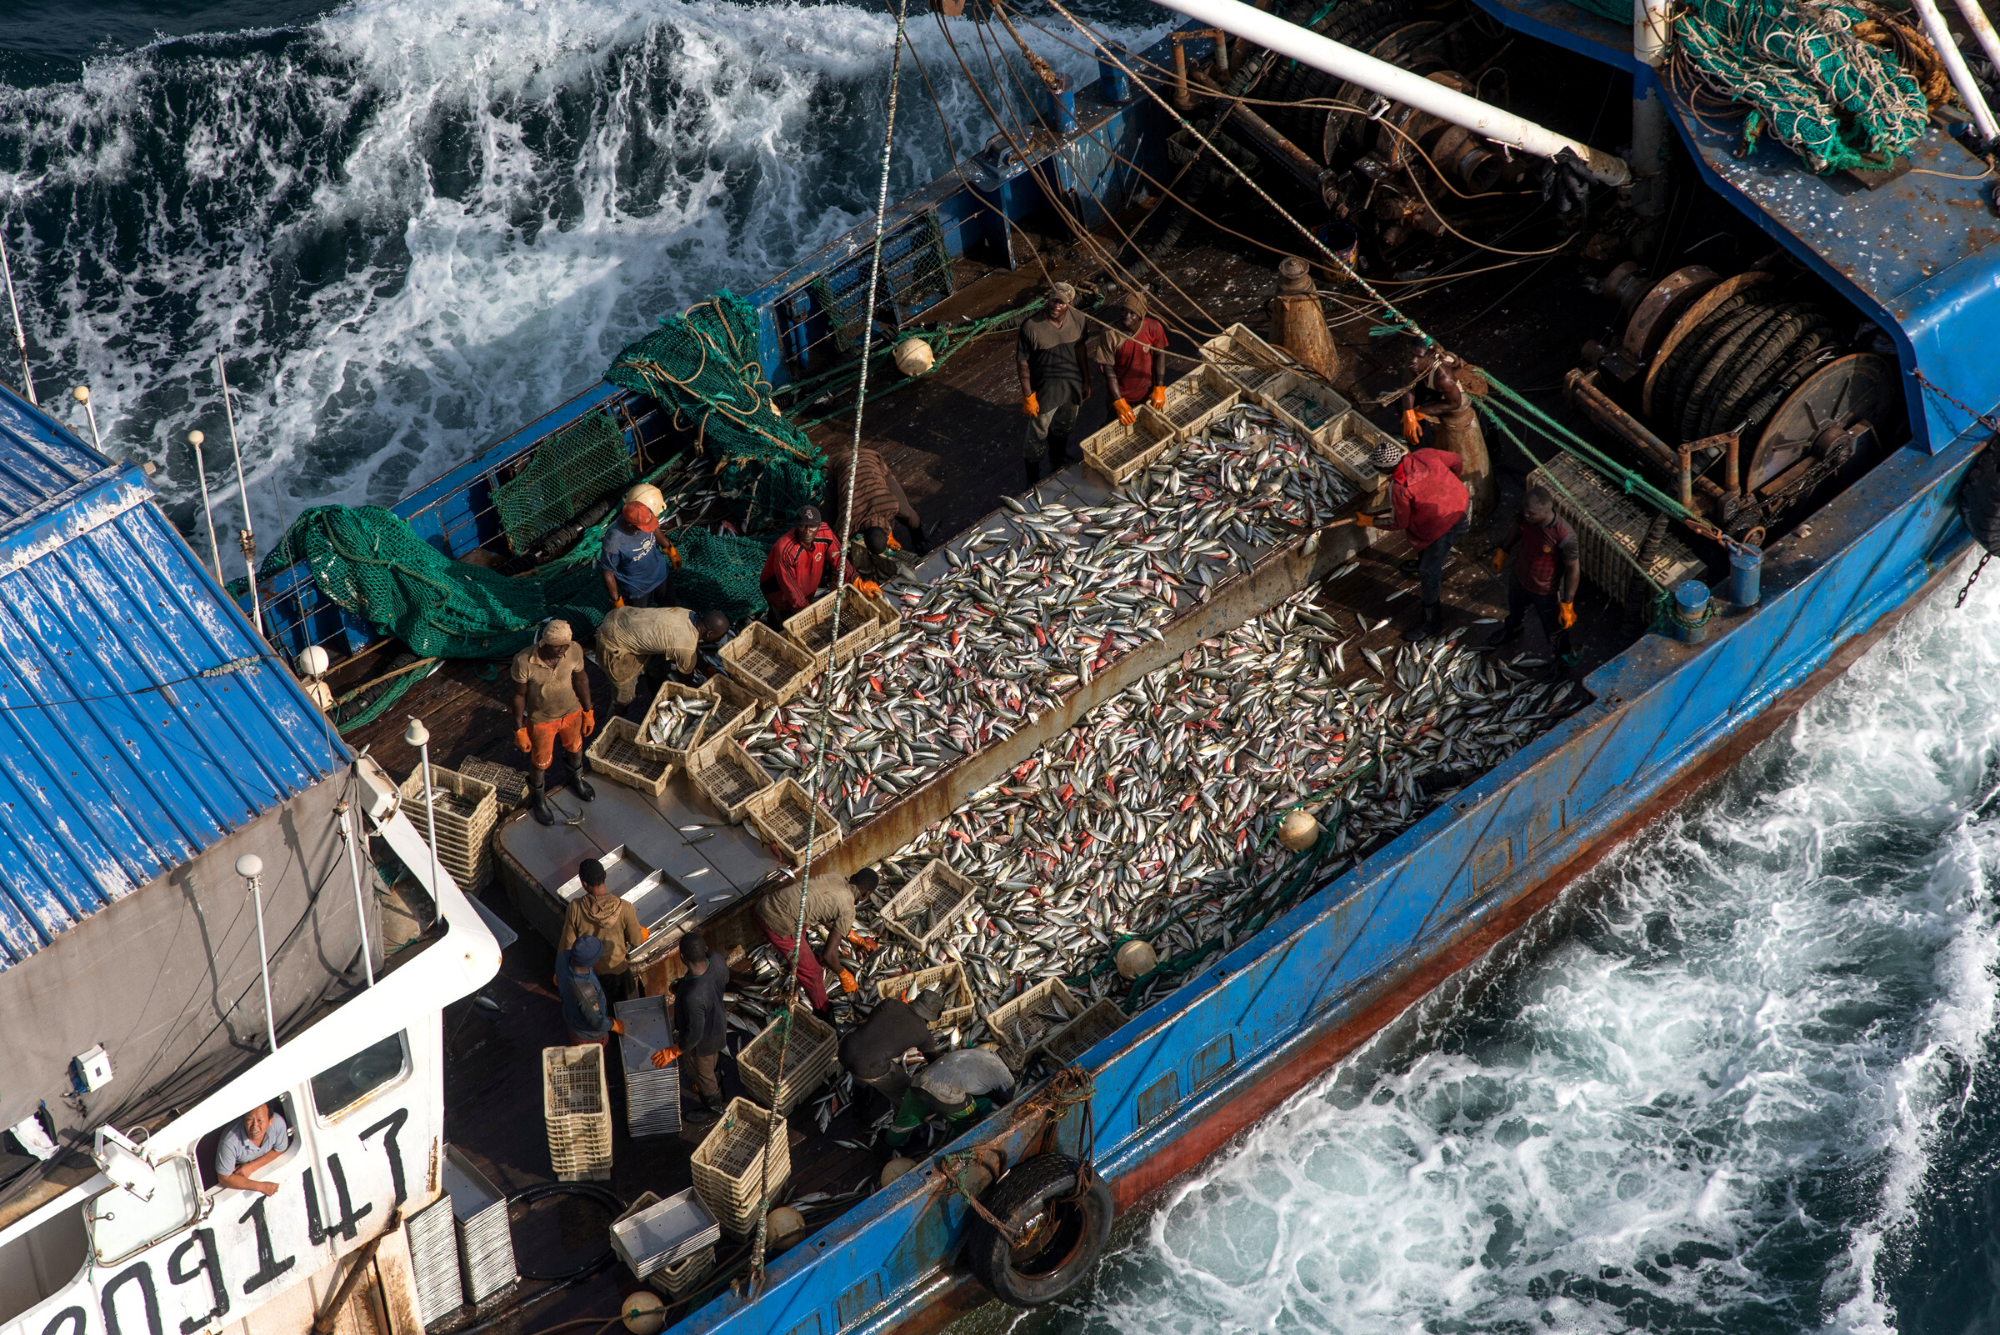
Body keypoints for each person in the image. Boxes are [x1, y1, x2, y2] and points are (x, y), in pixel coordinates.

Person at [1353, 440, 1469, 644]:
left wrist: (1370, 521)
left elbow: (1399, 522)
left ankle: (1432, 622)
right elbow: (1457, 461)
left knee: (1429, 571)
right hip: (1461, 504)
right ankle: (1421, 562)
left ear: (1382, 469)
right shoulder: (1426, 454)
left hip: (1443, 525)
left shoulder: (1399, 488)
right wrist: (1450, 484)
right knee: (1424, 542)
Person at [754, 868, 877, 1014]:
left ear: (853, 877)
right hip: (776, 922)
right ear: (866, 893)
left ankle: (789, 960)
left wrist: (850, 936)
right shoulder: (849, 908)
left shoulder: (834, 876)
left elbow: (823, 908)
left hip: (764, 904)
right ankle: (823, 1012)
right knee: (813, 973)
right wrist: (844, 974)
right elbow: (828, 955)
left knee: (805, 924)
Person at [512, 618, 595, 824]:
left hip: (571, 712)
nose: (563, 650)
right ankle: (538, 800)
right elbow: (519, 696)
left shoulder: (573, 650)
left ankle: (576, 779)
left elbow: (581, 679)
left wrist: (588, 710)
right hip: (541, 720)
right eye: (558, 646)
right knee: (540, 763)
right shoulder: (524, 661)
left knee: (576, 749)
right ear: (545, 643)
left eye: (565, 645)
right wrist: (519, 729)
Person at [1487, 486, 1580, 663]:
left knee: (1553, 628)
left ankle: (1561, 657)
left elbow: (1573, 569)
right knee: (1515, 610)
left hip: (1545, 590)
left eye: (1531, 513)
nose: (1526, 515)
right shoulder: (1525, 516)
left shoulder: (1564, 536)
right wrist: (1503, 551)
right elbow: (1516, 527)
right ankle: (1513, 628)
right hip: (1519, 576)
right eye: (1525, 511)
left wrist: (1568, 603)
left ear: (1546, 512)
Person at [1016, 281, 1092, 487]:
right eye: (1053, 300)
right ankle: (1032, 477)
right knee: (1037, 434)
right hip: (1044, 391)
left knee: (1065, 426)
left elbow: (1080, 348)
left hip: (1072, 386)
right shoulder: (1031, 326)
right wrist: (1028, 395)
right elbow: (1022, 362)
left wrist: (1086, 380)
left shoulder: (1079, 319)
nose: (1055, 305)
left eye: (1061, 302)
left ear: (1070, 304)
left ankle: (1057, 460)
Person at [651, 932, 729, 1124]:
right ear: (706, 950)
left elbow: (694, 1034)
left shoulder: (694, 996)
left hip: (701, 1044)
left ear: (682, 957)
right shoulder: (717, 961)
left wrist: (674, 1051)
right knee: (713, 1062)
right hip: (718, 1025)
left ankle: (714, 1107)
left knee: (703, 1074)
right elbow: (718, 983)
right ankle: (719, 1085)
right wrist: (682, 985)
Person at [596, 605, 731, 710]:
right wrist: (707, 693)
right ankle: (618, 718)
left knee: (660, 662)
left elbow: (689, 644)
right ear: (709, 634)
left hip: (623, 615)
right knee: (624, 694)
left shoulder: (687, 614)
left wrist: (705, 667)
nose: (718, 640)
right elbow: (685, 681)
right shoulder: (686, 648)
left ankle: (656, 686)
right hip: (613, 638)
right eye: (718, 637)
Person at [557, 858, 647, 1003]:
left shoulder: (575, 908)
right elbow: (636, 940)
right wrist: (640, 932)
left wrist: (561, 972)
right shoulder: (625, 907)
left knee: (602, 1013)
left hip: (592, 977)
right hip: (620, 975)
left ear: (584, 883)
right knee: (629, 1011)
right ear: (605, 875)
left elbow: (567, 945)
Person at [886, 1046, 1016, 1147]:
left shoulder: (981, 1051)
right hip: (945, 1095)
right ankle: (950, 1151)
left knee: (902, 1125)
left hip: (920, 1084)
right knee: (973, 1127)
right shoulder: (1005, 1075)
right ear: (1013, 1068)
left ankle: (886, 1147)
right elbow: (1008, 1103)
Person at [839, 988, 945, 1106]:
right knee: (904, 1089)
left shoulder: (890, 1003)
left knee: (860, 1067)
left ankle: (859, 1102)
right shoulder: (924, 1034)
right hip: (869, 1067)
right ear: (931, 1017)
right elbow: (933, 1061)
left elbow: (872, 1019)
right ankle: (901, 1117)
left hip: (846, 1049)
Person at [824, 443, 927, 562]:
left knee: (907, 514)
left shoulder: (891, 505)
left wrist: (892, 536)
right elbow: (834, 540)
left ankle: (921, 541)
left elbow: (904, 517)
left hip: (872, 459)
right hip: (841, 463)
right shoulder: (847, 523)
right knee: (828, 523)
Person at [1088, 290, 1167, 427]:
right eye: (1125, 311)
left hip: (1147, 392)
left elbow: (1159, 354)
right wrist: (1119, 402)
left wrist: (1159, 387)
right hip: (1122, 395)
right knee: (1113, 426)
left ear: (1141, 316)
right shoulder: (1110, 334)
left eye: (1133, 314)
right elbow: (1108, 370)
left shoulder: (1153, 327)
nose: (1127, 316)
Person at [760, 505, 848, 621]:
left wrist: (855, 579)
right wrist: (805, 608)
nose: (808, 531)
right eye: (802, 526)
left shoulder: (825, 533)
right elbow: (789, 587)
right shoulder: (784, 549)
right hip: (781, 595)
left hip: (805, 589)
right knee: (782, 625)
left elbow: (839, 558)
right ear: (796, 526)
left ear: (819, 526)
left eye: (812, 527)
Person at [599, 501, 676, 609]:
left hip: (660, 574)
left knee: (671, 607)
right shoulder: (613, 543)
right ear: (630, 524)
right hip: (636, 588)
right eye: (643, 527)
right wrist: (616, 601)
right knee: (639, 620)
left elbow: (654, 529)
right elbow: (608, 573)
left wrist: (670, 550)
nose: (647, 529)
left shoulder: (645, 515)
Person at [556, 935, 624, 1046]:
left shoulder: (563, 957)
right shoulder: (585, 992)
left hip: (571, 1015)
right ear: (590, 962)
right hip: (588, 1036)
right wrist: (614, 1025)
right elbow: (597, 1022)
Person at [215, 1102, 288, 1196]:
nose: (254, 1126)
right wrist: (261, 1187)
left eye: (260, 1120)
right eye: (249, 1120)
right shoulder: (229, 1142)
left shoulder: (278, 1124)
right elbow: (224, 1178)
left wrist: (251, 1166)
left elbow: (280, 1149)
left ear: (270, 1120)